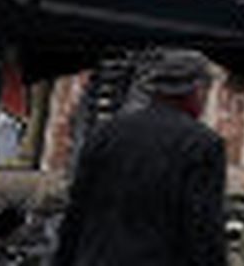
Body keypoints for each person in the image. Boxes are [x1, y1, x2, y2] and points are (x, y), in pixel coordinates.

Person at [54, 48, 227, 266]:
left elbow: (76, 213)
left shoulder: (107, 133)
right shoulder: (202, 144)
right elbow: (203, 228)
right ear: (197, 90)